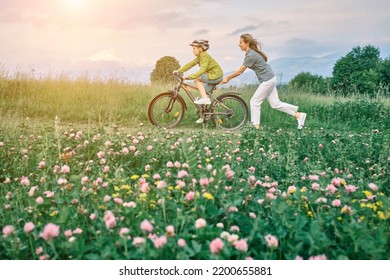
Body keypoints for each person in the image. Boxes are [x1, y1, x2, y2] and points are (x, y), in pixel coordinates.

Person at [220, 34, 307, 129]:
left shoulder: (251, 55)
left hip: (267, 80)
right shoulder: (250, 54)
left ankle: (255, 127)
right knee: (275, 104)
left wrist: (227, 78)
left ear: (247, 43)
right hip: (270, 78)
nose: (239, 45)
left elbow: (240, 71)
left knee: (254, 102)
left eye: (240, 42)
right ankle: (299, 115)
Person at [175, 39, 224, 124]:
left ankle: (205, 98)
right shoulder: (199, 57)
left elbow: (202, 71)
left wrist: (188, 77)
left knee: (197, 80)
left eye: (194, 48)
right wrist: (179, 71)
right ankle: (203, 116)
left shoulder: (205, 56)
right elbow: (190, 64)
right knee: (203, 94)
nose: (192, 50)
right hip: (212, 75)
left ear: (200, 49)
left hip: (215, 75)